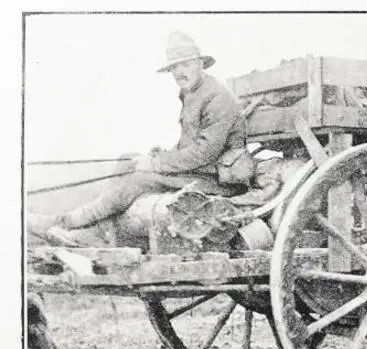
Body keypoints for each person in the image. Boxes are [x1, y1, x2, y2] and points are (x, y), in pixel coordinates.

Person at [38, 31, 272, 248]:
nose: (180, 72)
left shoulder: (217, 97)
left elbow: (204, 152)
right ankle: (97, 229)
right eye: (174, 67)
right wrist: (160, 155)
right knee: (128, 160)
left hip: (218, 182)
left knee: (139, 180)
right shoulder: (192, 92)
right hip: (200, 171)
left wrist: (156, 164)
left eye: (187, 64)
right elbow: (189, 144)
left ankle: (68, 223)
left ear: (201, 64)